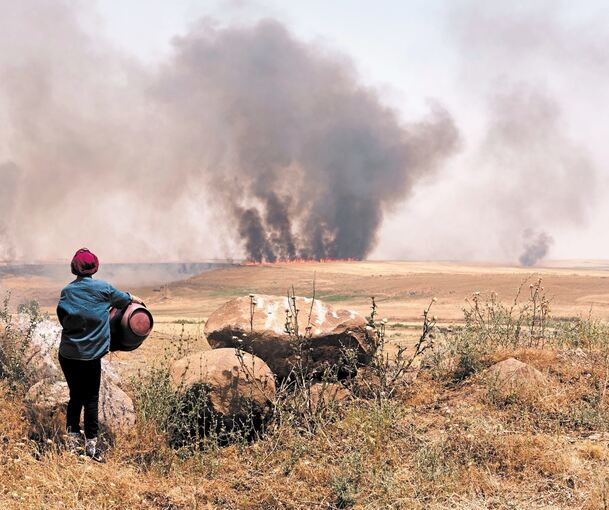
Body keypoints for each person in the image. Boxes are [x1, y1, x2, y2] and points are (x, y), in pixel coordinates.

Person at [56, 248, 143, 461]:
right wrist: (135, 298)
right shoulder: (104, 289)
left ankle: (72, 443)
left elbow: (62, 316)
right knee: (91, 399)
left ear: (73, 268)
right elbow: (125, 300)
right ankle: (91, 449)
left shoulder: (67, 291)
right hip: (90, 357)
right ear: (95, 267)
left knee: (75, 396)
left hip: (68, 354)